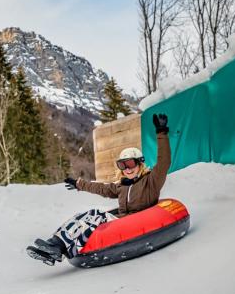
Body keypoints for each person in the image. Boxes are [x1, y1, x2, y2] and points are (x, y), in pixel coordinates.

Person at [26, 113, 171, 265]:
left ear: (140, 164)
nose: (127, 169)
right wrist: (79, 184)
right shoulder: (122, 186)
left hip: (140, 221)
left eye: (130, 164)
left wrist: (161, 132)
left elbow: (164, 161)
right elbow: (101, 188)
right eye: (122, 165)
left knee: (95, 214)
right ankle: (54, 245)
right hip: (122, 222)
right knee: (82, 216)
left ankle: (57, 248)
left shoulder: (151, 181)